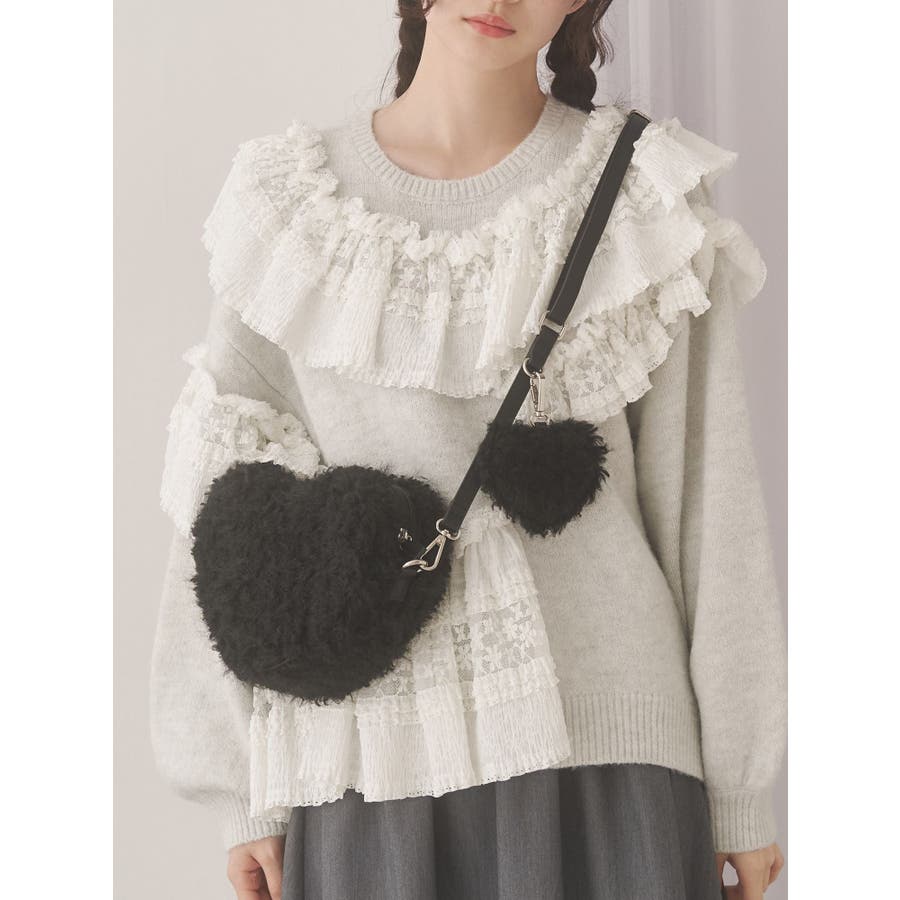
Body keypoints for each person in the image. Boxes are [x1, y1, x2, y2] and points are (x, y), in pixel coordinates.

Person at [150, 1, 787, 898]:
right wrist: (241, 792)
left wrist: (740, 792)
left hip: (609, 772)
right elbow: (222, 495)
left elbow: (709, 499)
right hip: (372, 771)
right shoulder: (288, 206)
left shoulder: (643, 190)